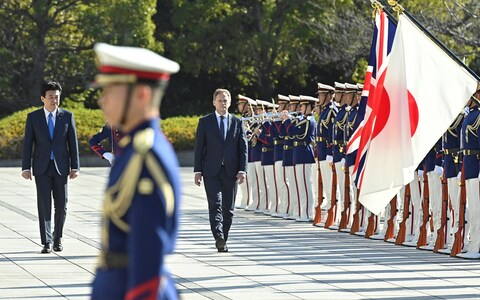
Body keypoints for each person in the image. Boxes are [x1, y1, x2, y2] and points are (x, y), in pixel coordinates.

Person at [90, 43, 181, 299]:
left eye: (110, 90)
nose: (102, 99)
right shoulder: (132, 148)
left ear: (141, 95)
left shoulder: (146, 155)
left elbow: (148, 255)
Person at [21, 80, 80, 254]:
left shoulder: (67, 116)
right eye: (51, 97)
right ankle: (46, 241)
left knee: (62, 205)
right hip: (41, 168)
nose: (54, 100)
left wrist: (75, 167)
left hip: (62, 167)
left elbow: (73, 143)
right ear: (42, 98)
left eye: (57, 97)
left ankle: (58, 238)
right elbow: (27, 144)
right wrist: (26, 167)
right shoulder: (33, 118)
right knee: (44, 204)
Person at [194, 88, 248, 252]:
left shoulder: (237, 122)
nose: (223, 103)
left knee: (228, 209)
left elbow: (243, 148)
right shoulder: (205, 122)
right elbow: (199, 148)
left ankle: (223, 238)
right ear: (214, 102)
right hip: (211, 170)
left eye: (225, 100)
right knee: (215, 205)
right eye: (220, 100)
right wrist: (197, 170)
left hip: (231, 171)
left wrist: (242, 170)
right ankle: (218, 236)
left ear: (230, 103)